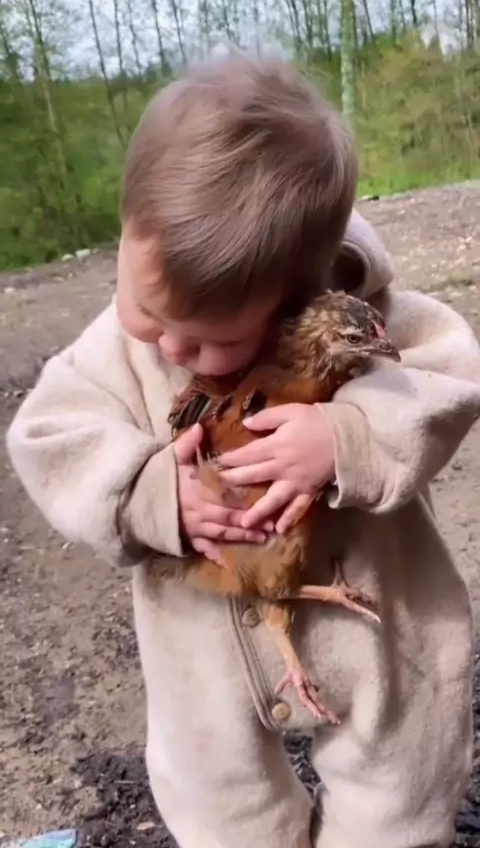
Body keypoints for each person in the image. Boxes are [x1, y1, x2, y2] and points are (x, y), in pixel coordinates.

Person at [7, 54, 480, 848]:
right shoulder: (117, 347)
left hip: (373, 620)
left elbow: (451, 373)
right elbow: (50, 433)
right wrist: (148, 492)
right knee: (218, 799)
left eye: (209, 340)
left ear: (295, 298)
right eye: (146, 306)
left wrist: (348, 434)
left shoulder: (358, 310)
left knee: (404, 776)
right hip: (203, 636)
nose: (169, 346)